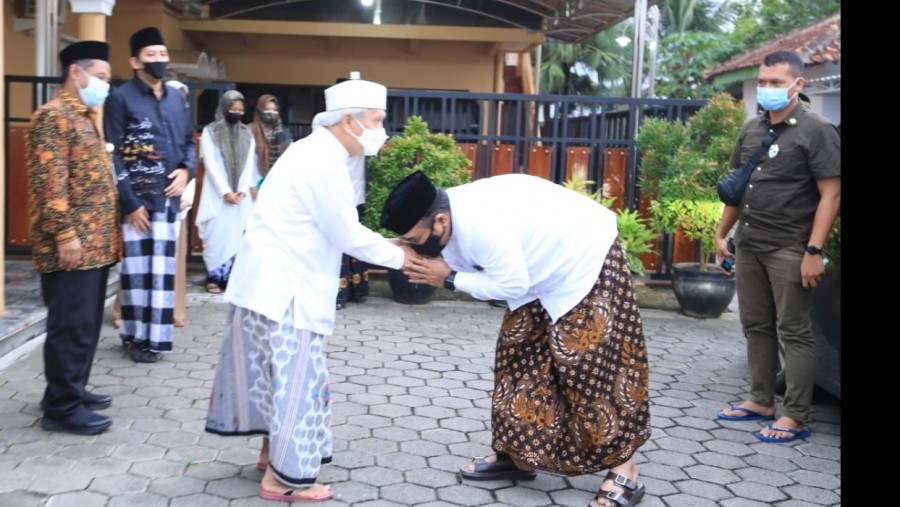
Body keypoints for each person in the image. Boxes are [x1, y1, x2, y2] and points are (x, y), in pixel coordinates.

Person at [382, 171, 651, 507]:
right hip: (535, 268)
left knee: (589, 368)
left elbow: (511, 285)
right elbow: (508, 277)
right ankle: (518, 456)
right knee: (517, 357)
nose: (412, 245)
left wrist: (449, 279)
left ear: (439, 221)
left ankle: (625, 471)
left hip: (583, 259)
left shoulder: (481, 224)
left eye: (414, 238)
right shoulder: (444, 214)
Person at [205, 78, 410, 503]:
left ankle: (269, 454)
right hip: (286, 292)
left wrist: (390, 247)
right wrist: (406, 259)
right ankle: (284, 480)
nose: (381, 131)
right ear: (350, 121)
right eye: (377, 121)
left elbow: (340, 230)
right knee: (297, 381)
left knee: (271, 377)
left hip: (265, 284)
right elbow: (347, 235)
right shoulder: (323, 161)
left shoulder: (312, 151)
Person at [714, 51, 841, 443]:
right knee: (755, 326)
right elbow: (738, 189)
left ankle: (796, 416)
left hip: (790, 248)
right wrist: (721, 235)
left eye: (775, 82)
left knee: (795, 332)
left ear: (797, 84)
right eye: (763, 82)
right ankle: (760, 401)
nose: (767, 89)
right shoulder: (752, 129)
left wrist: (814, 252)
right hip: (750, 244)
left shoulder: (816, 130)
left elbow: (832, 194)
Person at [26, 41, 121, 435]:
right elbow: (51, 183)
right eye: (99, 77)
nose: (104, 85)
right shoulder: (53, 117)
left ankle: (72, 390)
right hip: (71, 247)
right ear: (75, 73)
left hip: (95, 246)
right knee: (70, 327)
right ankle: (61, 408)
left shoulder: (83, 117)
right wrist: (65, 234)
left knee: (84, 325)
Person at [104, 27, 196, 363]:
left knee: (162, 274)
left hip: (168, 201)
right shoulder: (121, 98)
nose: (159, 60)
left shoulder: (177, 98)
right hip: (137, 203)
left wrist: (187, 170)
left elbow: (189, 141)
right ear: (134, 61)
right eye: (151, 55)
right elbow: (111, 153)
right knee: (137, 274)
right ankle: (134, 338)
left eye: (162, 54)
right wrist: (129, 203)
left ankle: (157, 339)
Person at [196, 90, 258, 293]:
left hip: (240, 197)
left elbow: (249, 164)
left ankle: (233, 279)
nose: (236, 112)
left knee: (237, 237)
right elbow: (211, 164)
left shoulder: (247, 134)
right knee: (216, 235)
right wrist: (225, 191)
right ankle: (214, 277)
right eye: (232, 108)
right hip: (217, 195)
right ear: (224, 108)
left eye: (240, 109)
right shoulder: (210, 132)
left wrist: (240, 190)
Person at [248, 93, 292, 197]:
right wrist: (252, 186)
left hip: (277, 186)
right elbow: (247, 163)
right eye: (267, 109)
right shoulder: (249, 131)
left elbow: (290, 161)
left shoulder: (284, 134)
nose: (271, 112)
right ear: (260, 110)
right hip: (253, 187)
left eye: (274, 109)